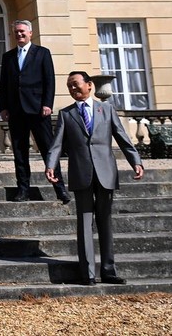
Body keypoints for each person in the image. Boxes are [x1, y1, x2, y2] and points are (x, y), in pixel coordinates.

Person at [45, 71, 144, 286]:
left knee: (105, 222)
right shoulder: (66, 114)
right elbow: (57, 144)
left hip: (106, 172)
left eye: (75, 84)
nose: (72, 89)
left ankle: (109, 271)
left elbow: (122, 137)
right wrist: (51, 165)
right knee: (84, 223)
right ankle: (87, 273)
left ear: (89, 85)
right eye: (69, 86)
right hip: (81, 173)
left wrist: (135, 161)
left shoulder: (106, 109)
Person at [0, 20, 69, 203]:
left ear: (30, 33)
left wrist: (47, 104)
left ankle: (60, 188)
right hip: (16, 110)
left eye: (22, 32)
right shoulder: (8, 57)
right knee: (20, 153)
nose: (19, 35)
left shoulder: (42, 53)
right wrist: (3, 107)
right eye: (16, 32)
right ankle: (23, 189)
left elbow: (49, 80)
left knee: (48, 150)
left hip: (38, 110)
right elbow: (3, 84)